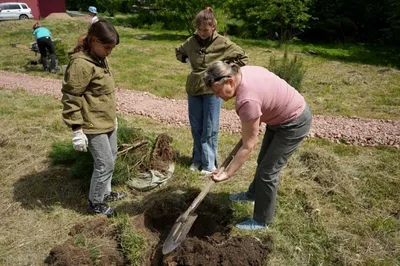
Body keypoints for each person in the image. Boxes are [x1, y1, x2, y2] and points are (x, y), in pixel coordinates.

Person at [203, 61, 312, 230]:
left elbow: (248, 145)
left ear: (230, 81)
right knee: (263, 161)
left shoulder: (247, 100)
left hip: (294, 123)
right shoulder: (243, 72)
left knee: (268, 172)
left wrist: (227, 174)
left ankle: (262, 220)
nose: (217, 96)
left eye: (217, 91)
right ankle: (253, 194)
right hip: (279, 117)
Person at [61, 19, 126, 217]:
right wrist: (77, 130)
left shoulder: (99, 57)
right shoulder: (81, 65)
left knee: (111, 157)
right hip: (91, 123)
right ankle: (95, 203)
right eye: (107, 47)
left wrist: (112, 115)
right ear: (93, 40)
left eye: (112, 48)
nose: (109, 52)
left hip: (106, 120)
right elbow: (72, 97)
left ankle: (104, 192)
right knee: (104, 163)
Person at [175, 7, 248, 175]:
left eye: (205, 30)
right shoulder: (191, 41)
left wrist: (225, 71)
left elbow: (242, 57)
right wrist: (186, 59)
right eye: (199, 29)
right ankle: (197, 160)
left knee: (210, 127)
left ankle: (209, 164)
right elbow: (179, 52)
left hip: (213, 90)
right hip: (194, 88)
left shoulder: (222, 43)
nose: (201, 33)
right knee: (197, 127)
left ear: (213, 27)